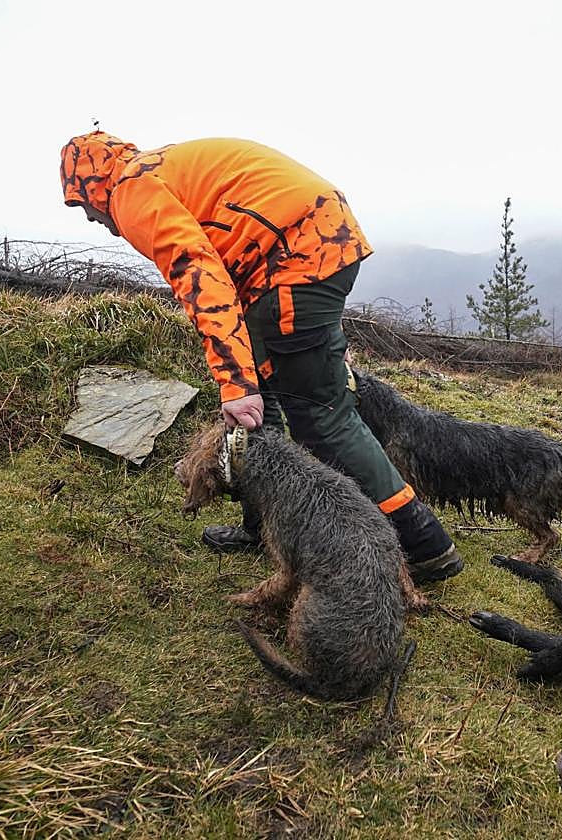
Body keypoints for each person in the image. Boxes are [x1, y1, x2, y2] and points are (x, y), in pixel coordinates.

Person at [59, 131, 462, 583]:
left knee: (322, 416)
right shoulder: (159, 169)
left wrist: (234, 384)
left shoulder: (132, 191)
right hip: (316, 245)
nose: (91, 218)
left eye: (81, 204)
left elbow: (201, 279)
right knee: (266, 400)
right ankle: (264, 522)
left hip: (295, 259)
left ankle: (423, 544)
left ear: (91, 184)